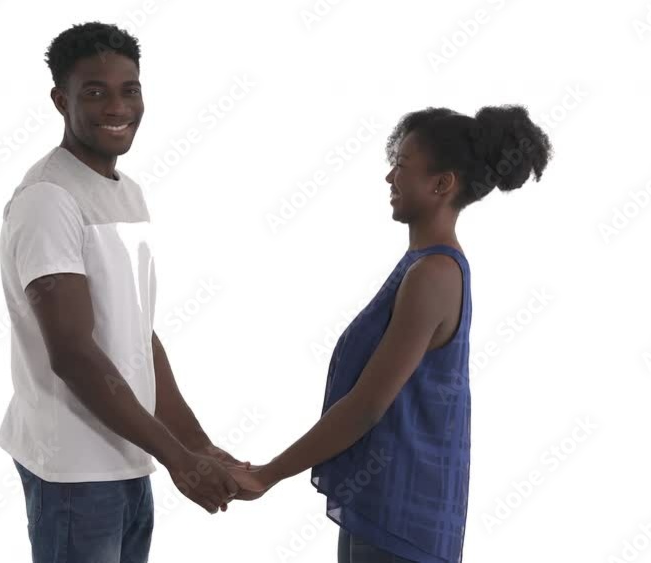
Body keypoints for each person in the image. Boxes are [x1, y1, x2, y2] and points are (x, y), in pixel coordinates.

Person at [230, 105, 553, 563]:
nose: (389, 177)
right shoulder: (421, 267)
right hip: (383, 509)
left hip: (404, 522)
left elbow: (366, 407)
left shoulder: (434, 274)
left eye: (401, 165)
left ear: (442, 184)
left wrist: (268, 474)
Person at [0, 22, 245, 563]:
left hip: (129, 456)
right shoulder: (48, 199)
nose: (117, 106)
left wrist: (196, 445)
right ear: (61, 100)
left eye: (129, 90)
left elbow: (137, 335)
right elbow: (72, 353)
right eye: (94, 92)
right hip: (75, 471)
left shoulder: (127, 193)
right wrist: (178, 458)